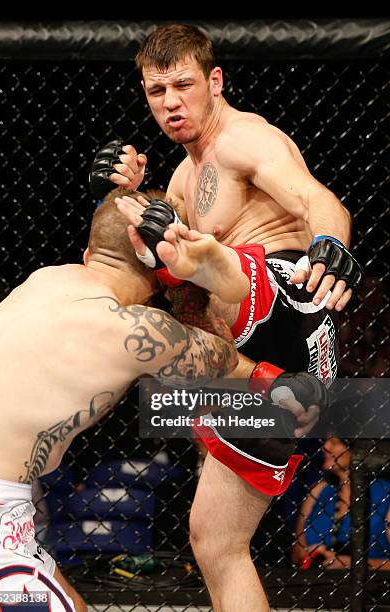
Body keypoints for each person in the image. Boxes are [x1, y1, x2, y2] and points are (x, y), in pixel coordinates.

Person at [88, 24, 362, 611]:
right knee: (215, 542)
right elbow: (153, 262)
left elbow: (319, 201)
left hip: (291, 309)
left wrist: (333, 245)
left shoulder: (245, 138)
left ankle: (216, 263)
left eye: (183, 85)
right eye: (156, 92)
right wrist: (132, 198)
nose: (171, 103)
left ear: (214, 81)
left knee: (209, 262)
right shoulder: (185, 178)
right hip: (264, 372)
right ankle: (207, 261)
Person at [0, 187, 241, 611]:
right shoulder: (136, 331)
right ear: (158, 267)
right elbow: (223, 356)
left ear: (88, 252)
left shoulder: (45, 279)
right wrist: (185, 277)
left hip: (5, 515)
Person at [292, 437, 390, 571]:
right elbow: (296, 552)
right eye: (326, 442)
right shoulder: (319, 491)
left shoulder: (385, 494)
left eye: (334, 443)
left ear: (357, 450)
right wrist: (310, 554)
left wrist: (358, 564)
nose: (325, 447)